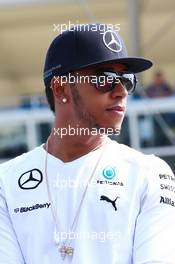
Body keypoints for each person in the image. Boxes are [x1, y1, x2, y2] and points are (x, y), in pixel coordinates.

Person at [0, 23, 175, 264]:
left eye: (127, 80)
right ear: (61, 87)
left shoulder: (150, 175)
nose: (121, 91)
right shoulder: (6, 183)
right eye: (106, 79)